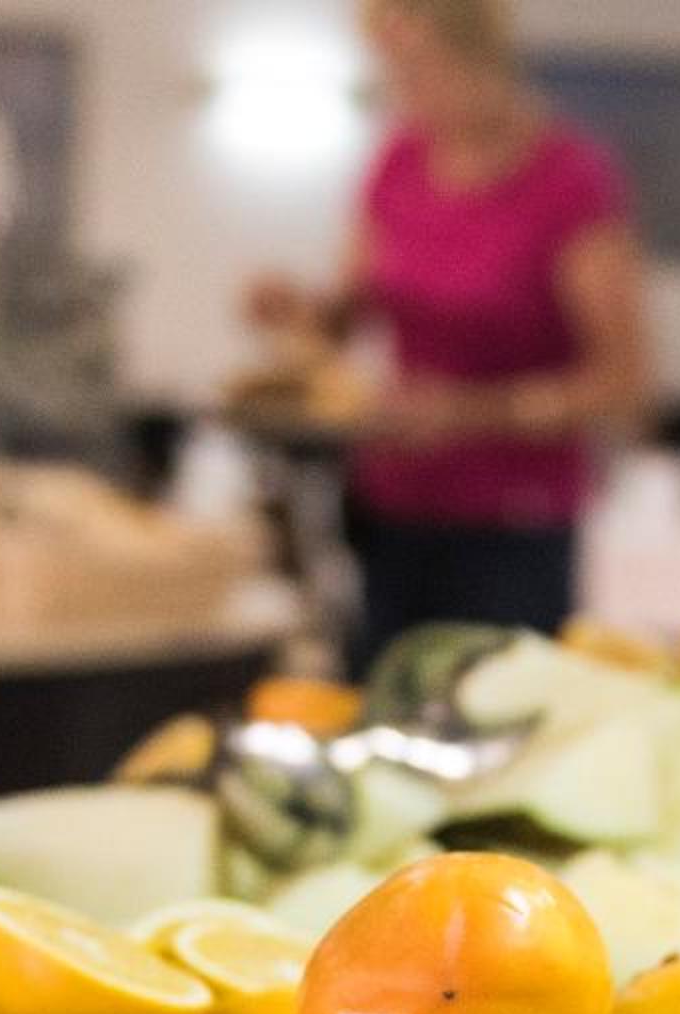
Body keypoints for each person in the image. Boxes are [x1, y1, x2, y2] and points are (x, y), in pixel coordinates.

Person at [249, 0, 652, 668]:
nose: (405, 93)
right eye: (394, 74)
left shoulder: (568, 179)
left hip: (514, 528)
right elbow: (350, 312)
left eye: (419, 71)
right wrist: (297, 312)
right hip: (394, 509)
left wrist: (470, 414)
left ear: (480, 59)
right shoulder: (399, 162)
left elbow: (623, 384)